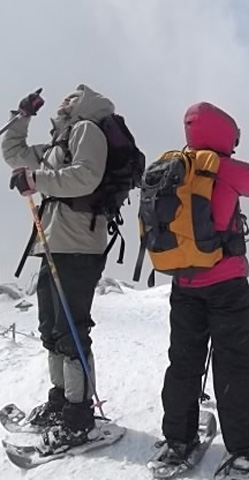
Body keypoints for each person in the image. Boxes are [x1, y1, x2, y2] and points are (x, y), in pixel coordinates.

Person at [159, 102, 249, 477]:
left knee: (184, 363)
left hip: (184, 283)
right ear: (225, 134)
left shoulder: (172, 167)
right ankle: (241, 450)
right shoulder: (223, 167)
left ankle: (178, 439)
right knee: (233, 367)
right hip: (226, 286)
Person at [2, 85, 114, 448]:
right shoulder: (58, 142)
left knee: (70, 331)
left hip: (79, 244)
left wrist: (37, 180)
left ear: (81, 105)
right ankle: (61, 401)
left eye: (70, 98)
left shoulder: (87, 131)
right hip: (55, 241)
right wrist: (23, 116)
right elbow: (13, 153)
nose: (63, 102)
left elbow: (87, 176)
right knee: (51, 329)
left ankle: (79, 417)